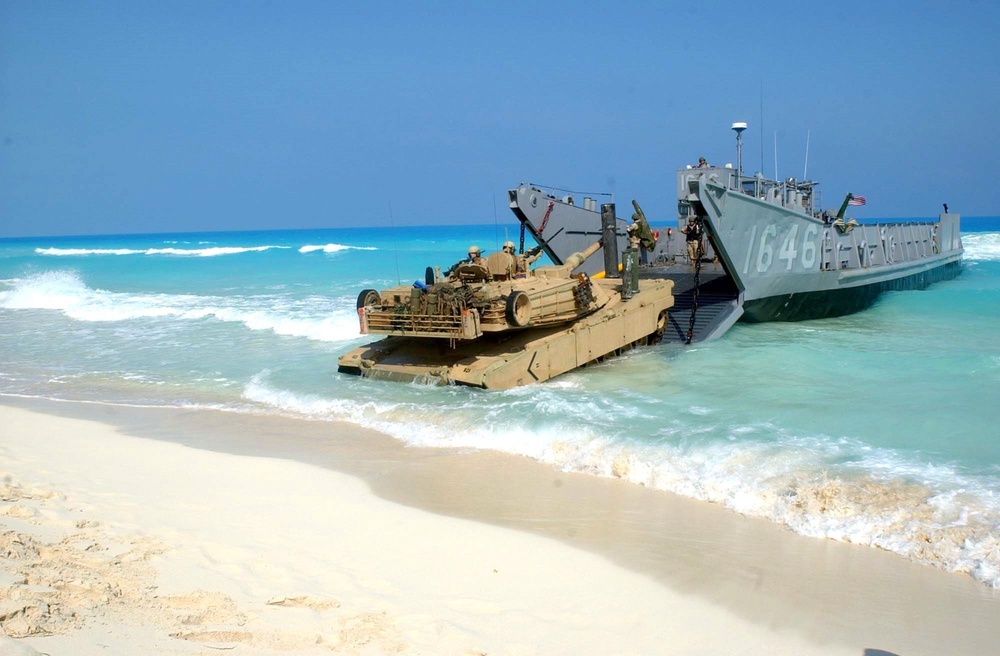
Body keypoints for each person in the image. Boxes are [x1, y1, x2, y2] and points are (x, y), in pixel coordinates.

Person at [629, 200, 657, 265]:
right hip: (642, 239)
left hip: (639, 239)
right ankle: (643, 262)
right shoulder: (642, 222)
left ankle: (638, 263)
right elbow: (639, 211)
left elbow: (629, 229)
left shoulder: (636, 224)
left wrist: (634, 203)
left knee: (636, 251)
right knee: (640, 250)